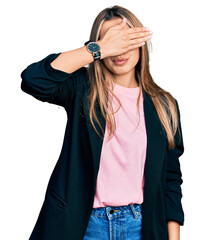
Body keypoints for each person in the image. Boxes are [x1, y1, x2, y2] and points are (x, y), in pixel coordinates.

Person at [20, 5, 185, 240]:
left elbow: (170, 178)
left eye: (125, 39)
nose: (119, 50)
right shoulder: (82, 89)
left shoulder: (164, 104)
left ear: (140, 42)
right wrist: (99, 49)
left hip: (142, 227)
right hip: (83, 225)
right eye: (110, 40)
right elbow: (34, 80)